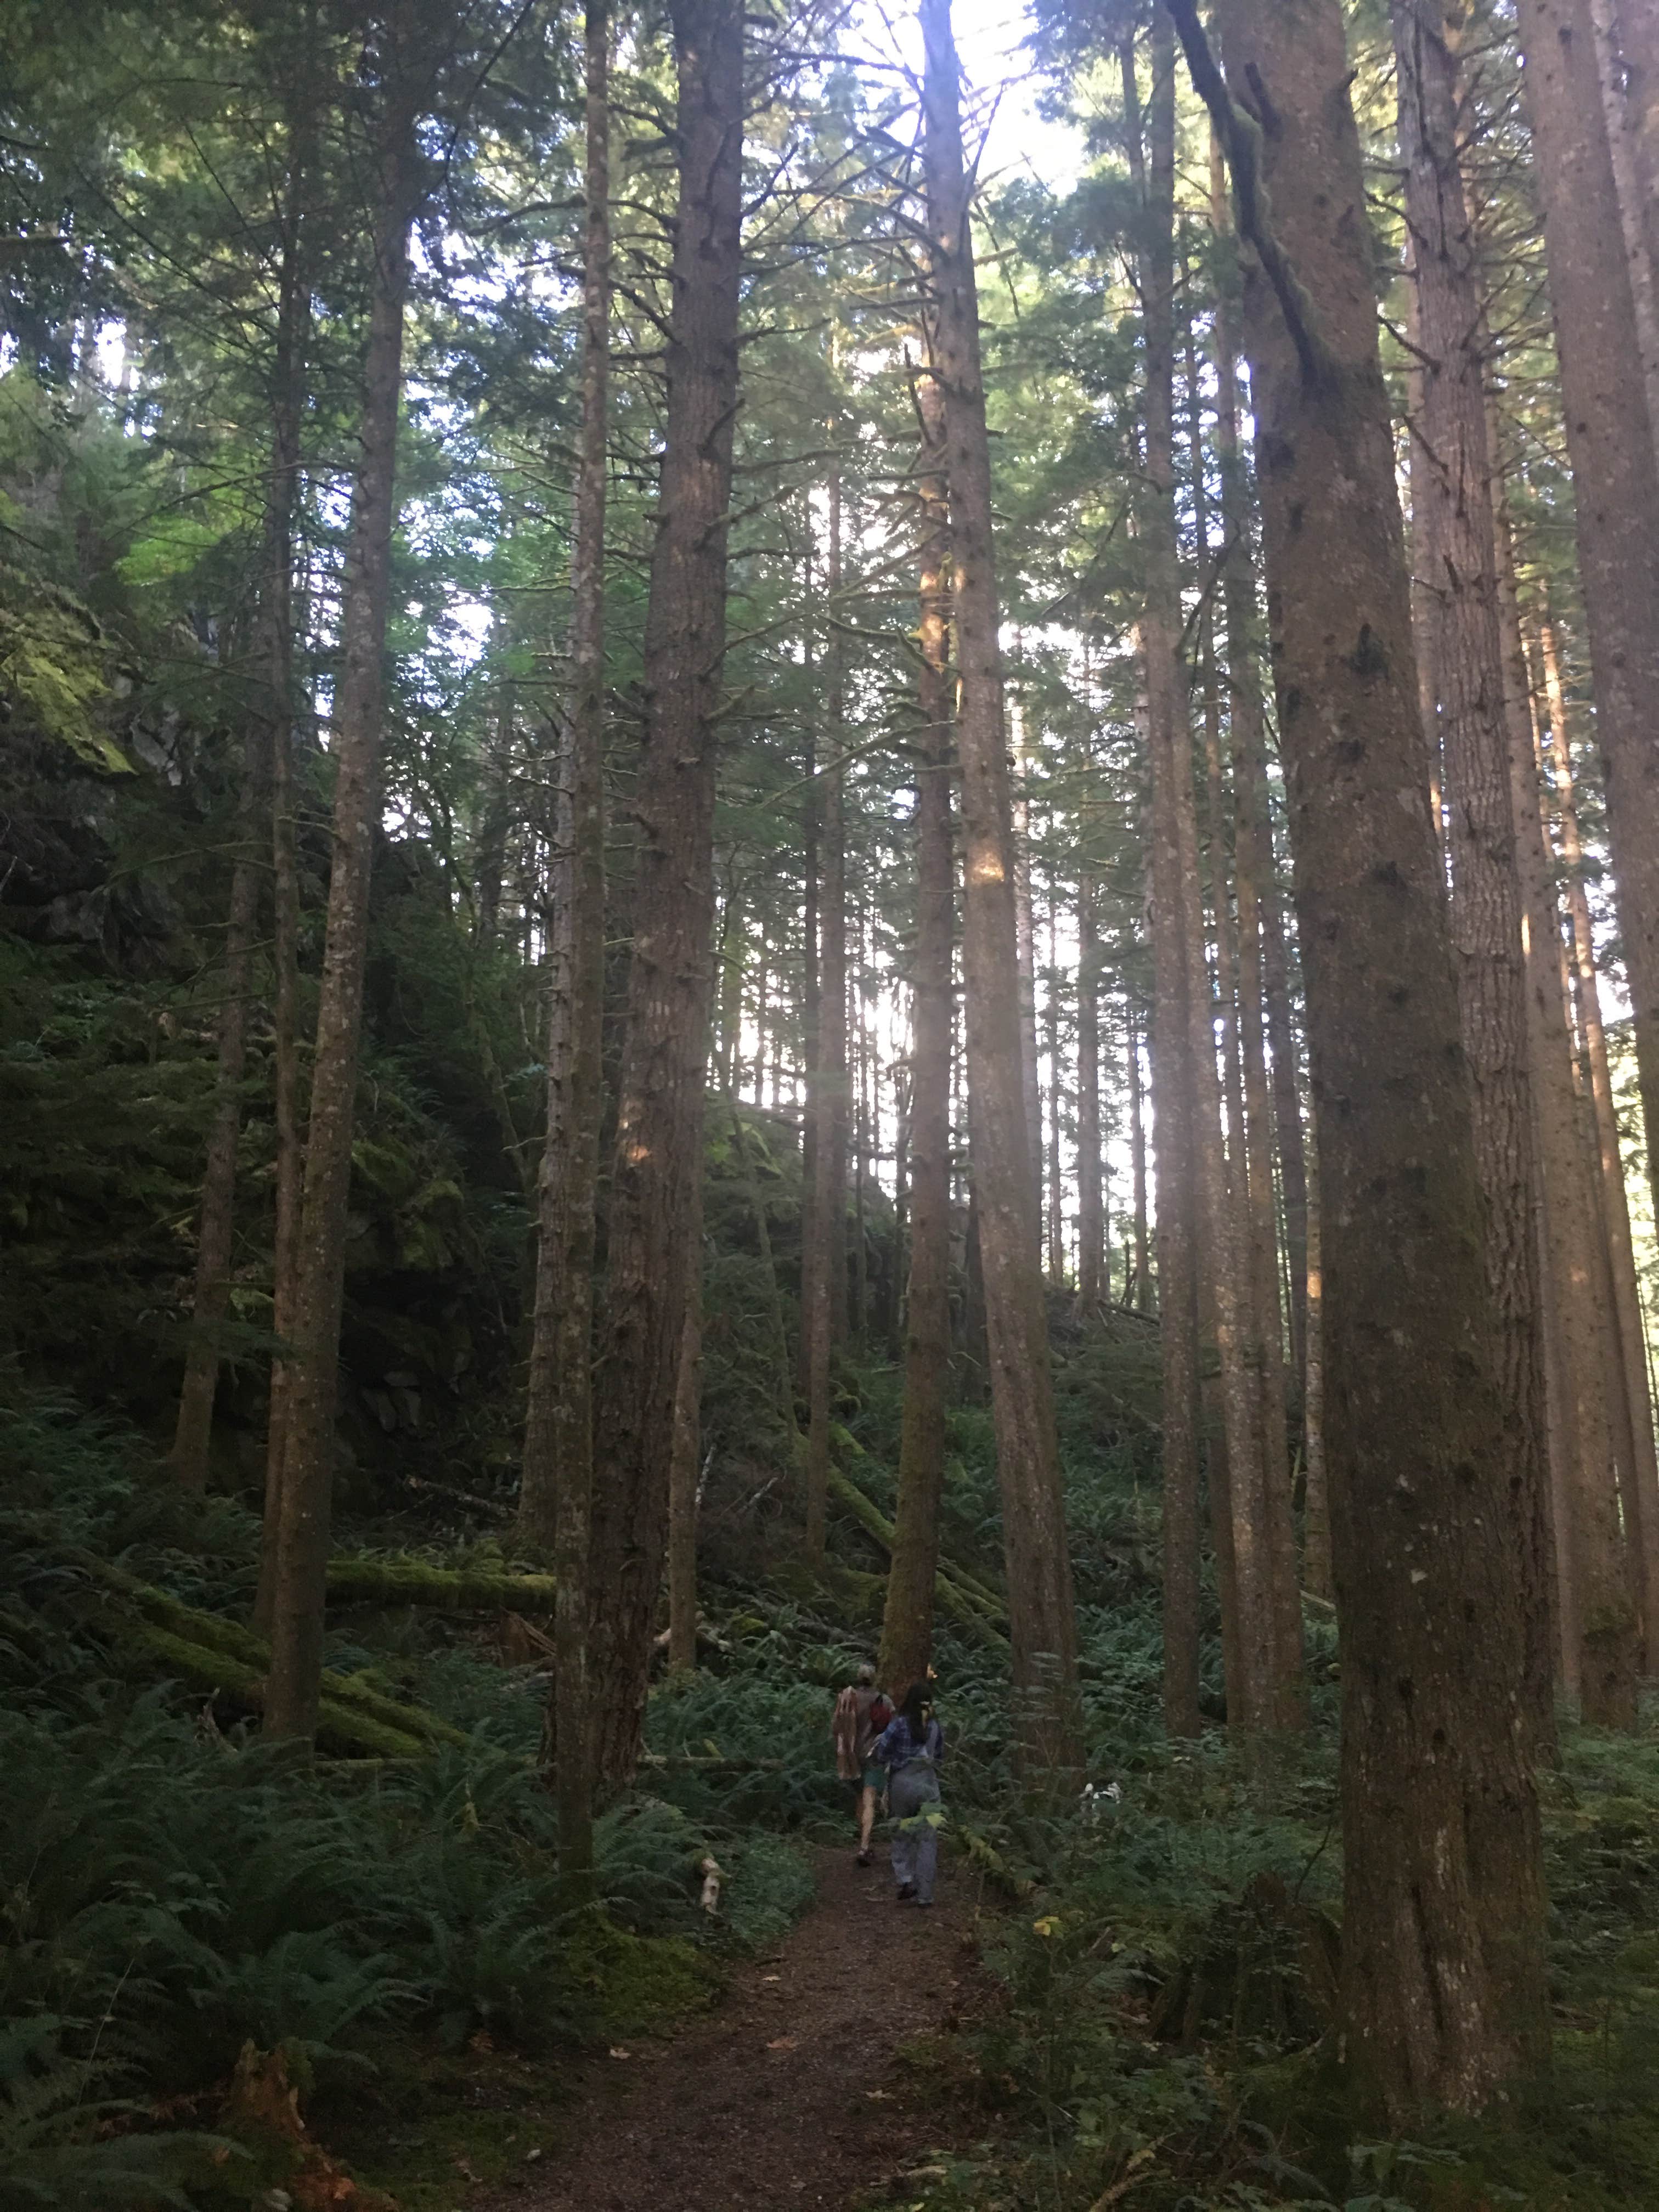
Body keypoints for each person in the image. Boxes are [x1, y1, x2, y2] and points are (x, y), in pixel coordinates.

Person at [874, 1678, 944, 1906]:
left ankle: (906, 1880)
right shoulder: (934, 1727)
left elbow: (882, 1753)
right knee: (927, 1839)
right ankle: (926, 1895)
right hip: (928, 1784)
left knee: (902, 1832)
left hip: (902, 1783)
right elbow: (939, 1757)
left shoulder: (899, 1724)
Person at [831, 1662, 892, 1866]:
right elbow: (893, 1729)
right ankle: (865, 1846)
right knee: (869, 1799)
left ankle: (863, 1840)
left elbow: (835, 1726)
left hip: (851, 1757)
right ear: (874, 1679)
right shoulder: (884, 1701)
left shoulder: (848, 1699)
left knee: (860, 1798)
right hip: (874, 1755)